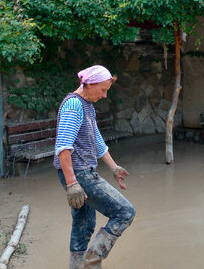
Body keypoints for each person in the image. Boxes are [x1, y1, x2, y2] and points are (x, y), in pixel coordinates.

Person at [53, 65, 135, 269]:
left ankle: (77, 267)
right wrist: (72, 184)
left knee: (84, 226)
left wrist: (114, 168)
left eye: (107, 90)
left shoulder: (87, 105)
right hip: (79, 175)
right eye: (103, 90)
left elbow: (97, 140)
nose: (105, 95)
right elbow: (63, 147)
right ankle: (93, 261)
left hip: (83, 173)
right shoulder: (73, 105)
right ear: (88, 84)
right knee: (125, 212)